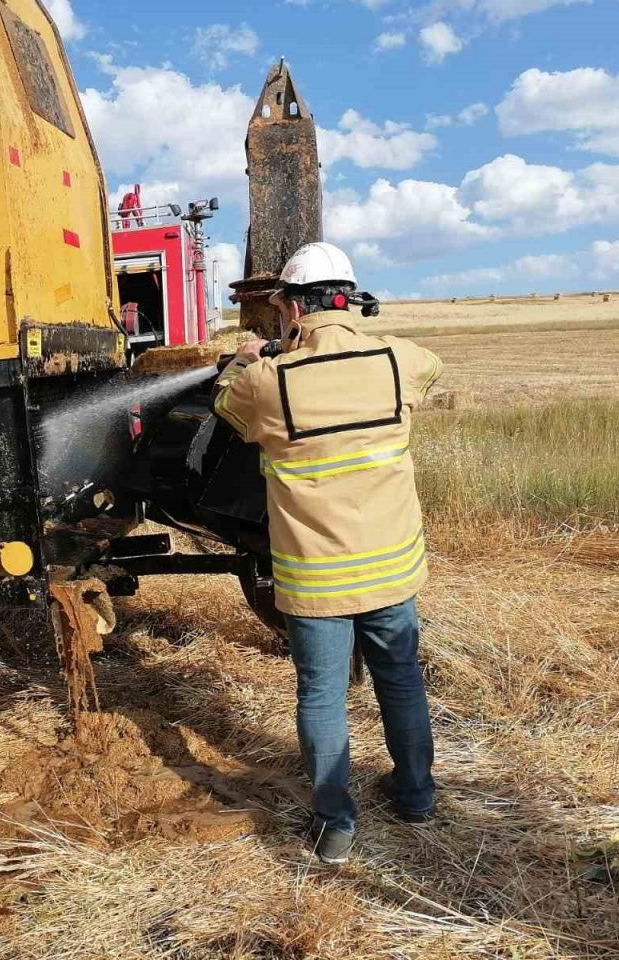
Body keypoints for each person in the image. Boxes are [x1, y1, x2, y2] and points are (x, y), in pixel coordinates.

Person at [212, 242, 444, 865]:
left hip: (316, 575)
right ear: (350, 297)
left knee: (320, 694)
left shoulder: (268, 381)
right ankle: (417, 796)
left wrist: (248, 358)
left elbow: (226, 406)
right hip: (393, 566)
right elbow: (432, 367)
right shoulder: (399, 359)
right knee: (400, 679)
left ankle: (335, 826)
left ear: (291, 309)